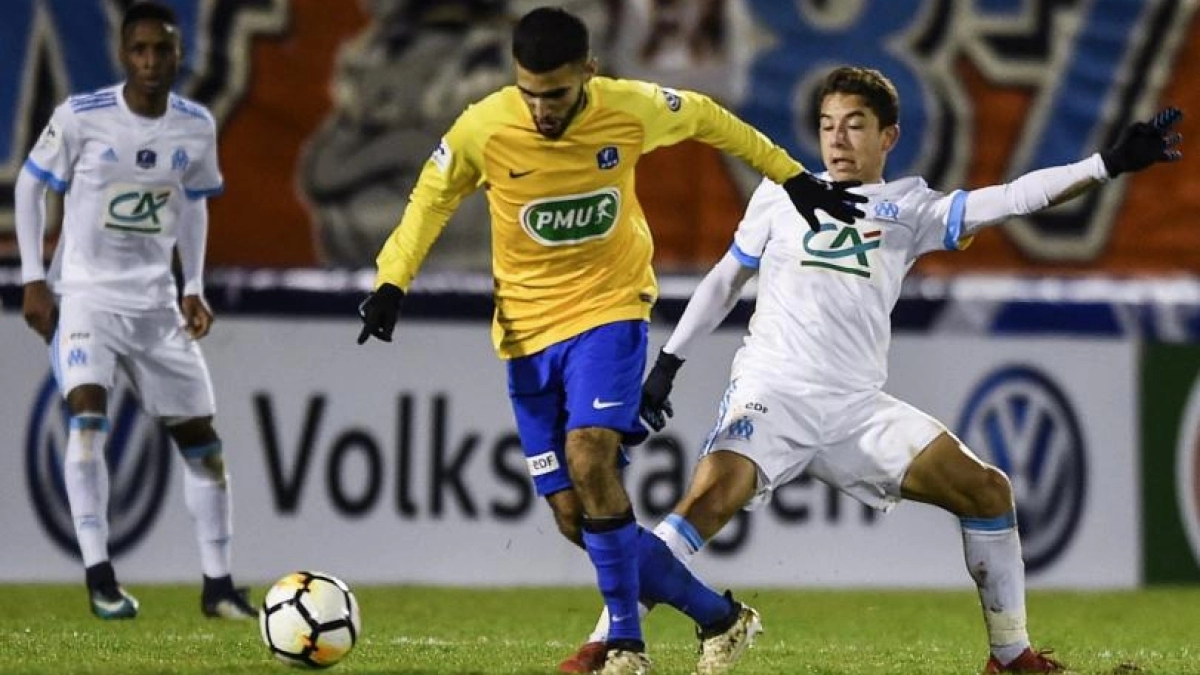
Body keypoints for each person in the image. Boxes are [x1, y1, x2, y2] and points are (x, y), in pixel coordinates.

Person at [558, 66, 1184, 673]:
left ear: (888, 136)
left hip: (857, 407)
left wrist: (1105, 165)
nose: (837, 137)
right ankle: (605, 642)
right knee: (701, 507)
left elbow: (1010, 200)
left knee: (988, 491)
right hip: (772, 393)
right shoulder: (780, 193)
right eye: (829, 123)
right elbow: (725, 281)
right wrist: (668, 365)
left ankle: (1011, 654)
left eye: (855, 124)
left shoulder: (909, 207)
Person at [355, 6, 866, 674]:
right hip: (525, 335)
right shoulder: (484, 126)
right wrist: (393, 280)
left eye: (557, 95)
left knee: (590, 454)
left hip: (610, 311)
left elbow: (712, 118)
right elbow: (431, 197)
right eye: (530, 93)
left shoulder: (629, 109)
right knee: (575, 515)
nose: (541, 109)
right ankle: (719, 616)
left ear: (589, 74)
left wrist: (793, 177)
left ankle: (625, 643)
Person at [14, 1, 257, 621]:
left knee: (204, 445)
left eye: (163, 50)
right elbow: (29, 184)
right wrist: (35, 279)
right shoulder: (81, 118)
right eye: (140, 50)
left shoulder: (194, 127)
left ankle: (218, 586)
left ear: (180, 55)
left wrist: (193, 284)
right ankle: (100, 575)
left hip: (154, 304)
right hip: (87, 296)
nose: (151, 61)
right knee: (87, 420)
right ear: (124, 55)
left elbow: (196, 203)